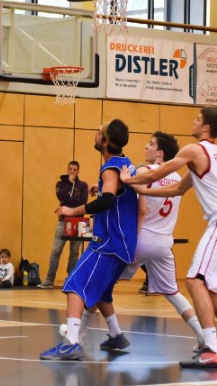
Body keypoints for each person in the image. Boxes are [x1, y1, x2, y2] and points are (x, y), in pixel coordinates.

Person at [121, 107, 217, 369]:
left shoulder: (195, 149)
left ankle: (212, 348)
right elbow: (179, 188)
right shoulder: (215, 153)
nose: (193, 121)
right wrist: (141, 187)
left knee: (194, 280)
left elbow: (158, 172)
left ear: (206, 128)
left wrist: (128, 179)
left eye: (197, 119)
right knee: (209, 286)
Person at [39, 119, 138, 361]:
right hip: (124, 242)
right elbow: (114, 193)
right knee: (102, 291)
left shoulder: (110, 167)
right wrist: (102, 186)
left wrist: (73, 211)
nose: (95, 133)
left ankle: (71, 342)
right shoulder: (125, 163)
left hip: (108, 242)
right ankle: (116, 335)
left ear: (105, 142)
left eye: (99, 132)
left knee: (74, 283)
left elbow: (107, 201)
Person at [117, 131, 205, 349]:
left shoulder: (145, 172)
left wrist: (124, 179)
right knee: (173, 293)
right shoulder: (177, 177)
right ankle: (203, 337)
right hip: (165, 242)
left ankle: (79, 333)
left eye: (150, 144)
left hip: (142, 239)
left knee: (101, 284)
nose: (146, 147)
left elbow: (140, 209)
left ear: (160, 153)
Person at [37, 161, 88, 289]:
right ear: (67, 169)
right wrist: (69, 186)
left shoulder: (83, 185)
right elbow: (61, 197)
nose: (72, 171)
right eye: (70, 169)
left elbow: (83, 202)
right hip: (63, 221)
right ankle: (49, 279)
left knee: (74, 252)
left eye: (75, 169)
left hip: (79, 222)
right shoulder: (60, 184)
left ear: (78, 171)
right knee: (56, 250)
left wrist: (67, 204)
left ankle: (71, 278)